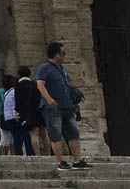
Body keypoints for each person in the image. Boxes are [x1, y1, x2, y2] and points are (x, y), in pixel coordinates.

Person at [37, 41, 92, 171]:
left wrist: (74, 103)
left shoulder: (62, 69)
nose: (65, 55)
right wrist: (49, 99)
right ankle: (60, 162)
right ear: (56, 55)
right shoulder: (45, 68)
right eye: (63, 53)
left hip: (67, 106)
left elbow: (67, 87)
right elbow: (40, 84)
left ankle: (77, 161)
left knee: (73, 133)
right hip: (53, 107)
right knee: (56, 134)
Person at [14, 65, 43, 156]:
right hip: (37, 111)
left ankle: (37, 155)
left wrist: (17, 113)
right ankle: (46, 153)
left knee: (32, 134)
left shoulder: (19, 86)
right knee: (42, 133)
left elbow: (18, 101)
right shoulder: (35, 84)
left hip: (26, 112)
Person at [0, 74, 14, 154]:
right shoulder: (11, 91)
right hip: (9, 115)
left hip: (2, 115)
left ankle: (4, 154)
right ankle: (12, 153)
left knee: (4, 137)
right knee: (11, 137)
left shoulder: (1, 91)